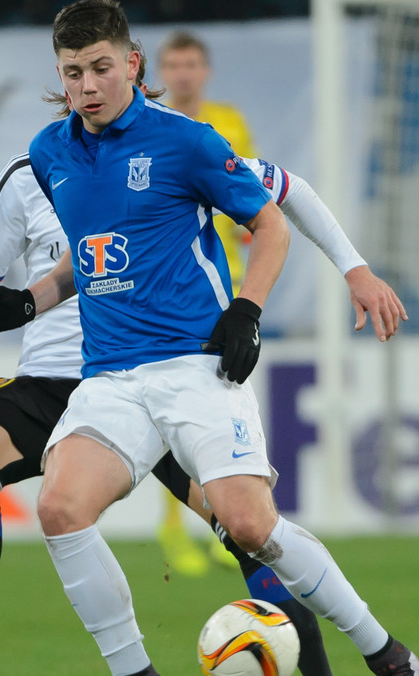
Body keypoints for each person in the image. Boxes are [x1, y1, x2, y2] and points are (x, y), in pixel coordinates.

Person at [0, 50, 406, 676]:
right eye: (73, 78)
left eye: (100, 75)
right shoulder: (36, 167)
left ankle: (334, 663)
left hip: (169, 366)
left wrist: (352, 269)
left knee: (248, 528)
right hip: (67, 377)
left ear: (130, 73)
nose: (86, 92)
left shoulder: (176, 148)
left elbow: (285, 196)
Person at [155, 29, 262, 578]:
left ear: (206, 70)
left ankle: (229, 520)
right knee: (176, 420)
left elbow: (248, 198)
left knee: (223, 418)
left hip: (235, 291)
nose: (183, 73)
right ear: (159, 71)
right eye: (173, 64)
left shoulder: (229, 122)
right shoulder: (152, 128)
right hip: (180, 296)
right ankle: (176, 531)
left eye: (192, 63)